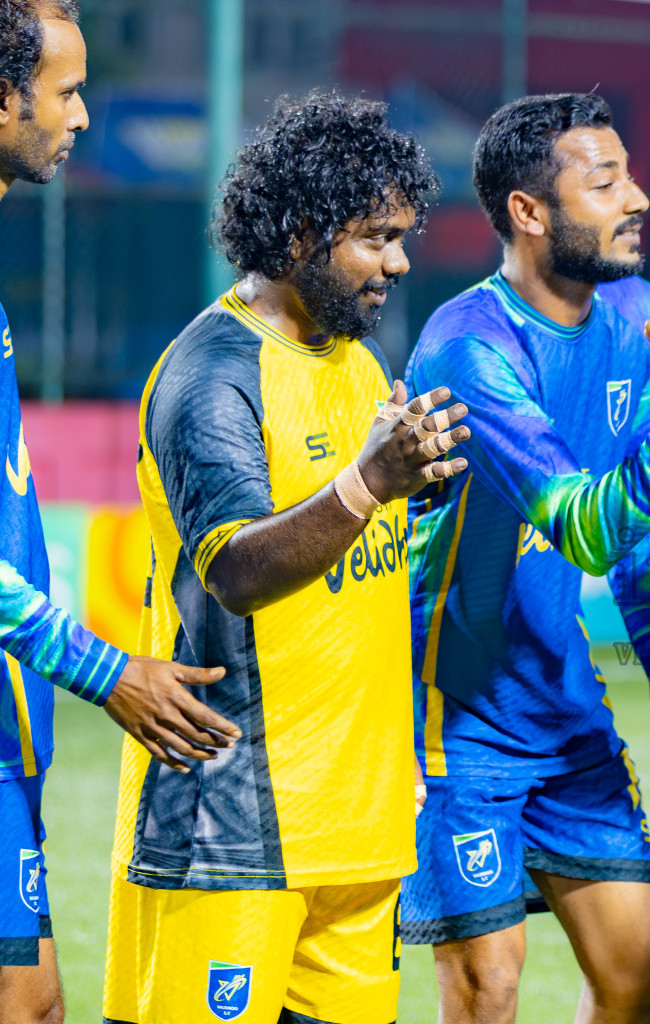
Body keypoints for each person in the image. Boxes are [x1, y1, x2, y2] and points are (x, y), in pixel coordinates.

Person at [400, 92, 650, 1024]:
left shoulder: (633, 312)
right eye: (606, 181)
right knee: (489, 989)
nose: (638, 198)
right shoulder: (469, 347)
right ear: (529, 211)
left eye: (630, 175)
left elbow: (643, 529)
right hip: (452, 717)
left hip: (562, 706)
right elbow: (586, 526)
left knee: (638, 972)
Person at [101, 91, 469, 1024]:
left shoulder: (358, 362)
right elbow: (237, 570)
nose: (399, 261)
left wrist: (412, 486)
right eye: (376, 238)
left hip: (362, 825)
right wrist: (370, 482)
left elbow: (355, 557)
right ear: (302, 231)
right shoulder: (210, 372)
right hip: (231, 824)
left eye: (402, 237)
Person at [0, 3, 238, 1020]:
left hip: (12, 738)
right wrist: (107, 672)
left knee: (34, 1002)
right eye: (66, 92)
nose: (83, 116)